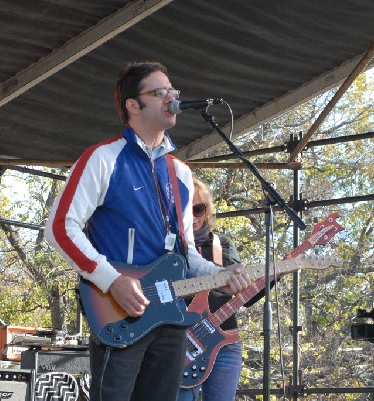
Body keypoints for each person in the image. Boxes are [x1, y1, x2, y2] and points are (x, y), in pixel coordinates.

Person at [44, 61, 251, 401]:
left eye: (173, 92)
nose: (171, 99)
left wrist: (221, 274)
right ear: (133, 105)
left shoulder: (180, 173)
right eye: (160, 93)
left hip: (170, 316)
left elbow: (185, 254)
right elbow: (60, 228)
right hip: (119, 310)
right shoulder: (103, 158)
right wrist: (112, 280)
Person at [177, 178, 264, 401]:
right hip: (181, 341)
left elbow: (245, 296)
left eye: (198, 209)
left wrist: (275, 275)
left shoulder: (222, 244)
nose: (193, 217)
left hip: (224, 340)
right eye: (186, 210)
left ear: (207, 211)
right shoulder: (170, 246)